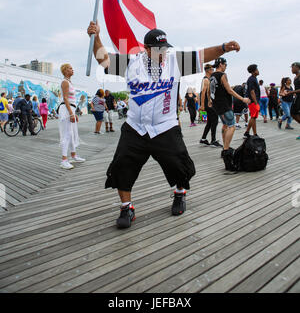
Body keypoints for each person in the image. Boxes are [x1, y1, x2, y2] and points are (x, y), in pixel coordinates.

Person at [88, 21, 242, 229]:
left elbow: (202, 55)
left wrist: (224, 47)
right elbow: (103, 59)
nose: (163, 53)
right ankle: (126, 207)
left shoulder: (174, 61)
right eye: (158, 49)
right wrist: (96, 36)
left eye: (165, 48)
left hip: (165, 125)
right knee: (121, 166)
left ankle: (179, 194)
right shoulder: (131, 63)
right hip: (136, 126)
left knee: (178, 164)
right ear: (147, 49)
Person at [210, 58, 250, 158]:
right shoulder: (222, 75)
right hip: (224, 104)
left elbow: (209, 91)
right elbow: (229, 91)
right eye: (225, 64)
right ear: (221, 64)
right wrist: (243, 99)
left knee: (224, 125)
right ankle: (226, 150)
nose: (226, 67)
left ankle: (225, 147)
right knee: (231, 126)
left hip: (216, 105)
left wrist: (210, 100)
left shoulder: (212, 76)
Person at [58, 64, 85, 169]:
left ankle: (73, 155)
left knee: (72, 133)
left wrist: (74, 113)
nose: (72, 69)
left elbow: (71, 100)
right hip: (66, 109)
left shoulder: (69, 82)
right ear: (65, 71)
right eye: (70, 68)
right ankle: (64, 160)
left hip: (70, 109)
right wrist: (70, 113)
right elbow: (65, 98)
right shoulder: (64, 82)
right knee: (67, 134)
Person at [199, 63, 221, 147]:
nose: (213, 71)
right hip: (208, 104)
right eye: (212, 69)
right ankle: (213, 140)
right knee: (214, 120)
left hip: (208, 103)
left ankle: (203, 139)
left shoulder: (208, 79)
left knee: (210, 122)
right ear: (208, 70)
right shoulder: (206, 80)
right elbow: (203, 93)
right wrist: (202, 105)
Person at [244, 64, 261, 139]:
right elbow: (252, 92)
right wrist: (256, 103)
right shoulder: (251, 79)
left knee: (254, 117)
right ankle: (247, 132)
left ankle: (254, 133)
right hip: (253, 101)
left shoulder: (254, 78)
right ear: (254, 71)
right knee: (253, 117)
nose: (258, 71)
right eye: (257, 70)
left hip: (254, 101)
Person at [286, 63, 300, 140]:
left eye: (293, 68)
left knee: (295, 113)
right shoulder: (295, 78)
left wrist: (291, 92)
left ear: (297, 68)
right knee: (293, 113)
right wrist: (290, 92)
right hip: (297, 97)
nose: (292, 69)